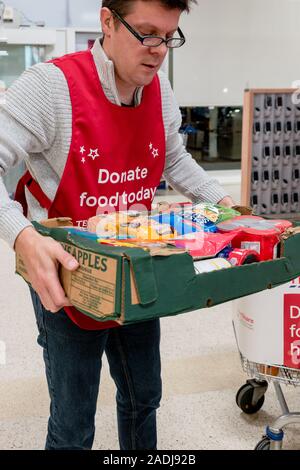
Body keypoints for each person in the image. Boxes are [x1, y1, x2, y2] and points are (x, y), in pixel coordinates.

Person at [0, 0, 234, 450]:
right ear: (107, 21)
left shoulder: (159, 89)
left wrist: (226, 206)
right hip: (68, 277)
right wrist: (22, 235)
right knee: (73, 424)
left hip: (136, 267)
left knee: (144, 397)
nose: (160, 49)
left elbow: (173, 158)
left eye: (169, 36)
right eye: (147, 33)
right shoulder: (52, 88)